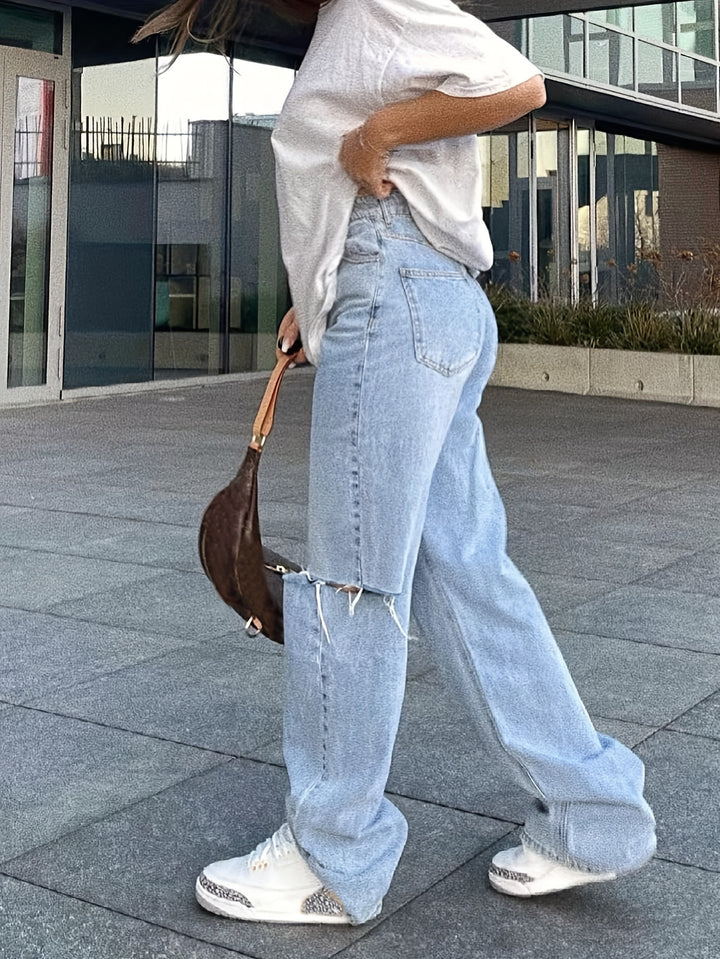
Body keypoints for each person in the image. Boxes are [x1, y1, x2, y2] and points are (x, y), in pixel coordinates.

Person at [137, 0, 656, 927]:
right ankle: (595, 817)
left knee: (351, 581)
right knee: (465, 575)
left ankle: (334, 852)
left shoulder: (377, 2)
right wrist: (317, 299)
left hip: (397, 294)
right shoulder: (355, 19)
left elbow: (518, 83)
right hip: (408, 295)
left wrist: (377, 136)